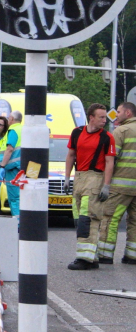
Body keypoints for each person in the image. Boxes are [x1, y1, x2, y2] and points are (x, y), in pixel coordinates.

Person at [65, 103, 115, 270]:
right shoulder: (77, 132)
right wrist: (67, 177)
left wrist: (106, 185)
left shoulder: (107, 137)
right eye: (101, 117)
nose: (104, 120)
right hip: (79, 177)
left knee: (88, 217)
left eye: (105, 117)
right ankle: (91, 257)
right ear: (91, 118)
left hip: (95, 177)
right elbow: (71, 155)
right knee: (79, 217)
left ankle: (84, 259)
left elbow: (109, 162)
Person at [98, 101, 136, 265]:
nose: (116, 114)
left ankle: (105, 254)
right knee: (134, 221)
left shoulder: (121, 131)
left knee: (110, 218)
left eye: (118, 112)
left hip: (121, 187)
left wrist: (104, 183)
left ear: (128, 113)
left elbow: (111, 159)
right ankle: (132, 256)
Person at [0, 111, 23, 217]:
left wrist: (2, 166)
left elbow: (9, 149)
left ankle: (18, 222)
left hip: (13, 168)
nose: (8, 120)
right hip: (23, 167)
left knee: (14, 198)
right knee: (22, 196)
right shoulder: (24, 129)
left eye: (9, 118)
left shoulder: (13, 130)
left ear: (12, 119)